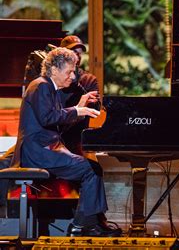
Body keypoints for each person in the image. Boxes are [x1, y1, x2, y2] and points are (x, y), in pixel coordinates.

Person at [10, 47, 121, 237]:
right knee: (91, 170)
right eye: (69, 72)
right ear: (54, 70)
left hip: (45, 150)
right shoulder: (41, 85)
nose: (73, 77)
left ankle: (90, 221)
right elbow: (48, 118)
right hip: (39, 152)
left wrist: (80, 106)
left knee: (92, 169)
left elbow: (56, 122)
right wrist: (78, 111)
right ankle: (85, 224)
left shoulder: (48, 88)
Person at [59, 35, 100, 156]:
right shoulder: (53, 78)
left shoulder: (88, 79)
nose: (77, 56)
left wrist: (78, 87)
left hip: (76, 139)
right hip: (53, 137)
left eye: (80, 53)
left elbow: (95, 109)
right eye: (73, 52)